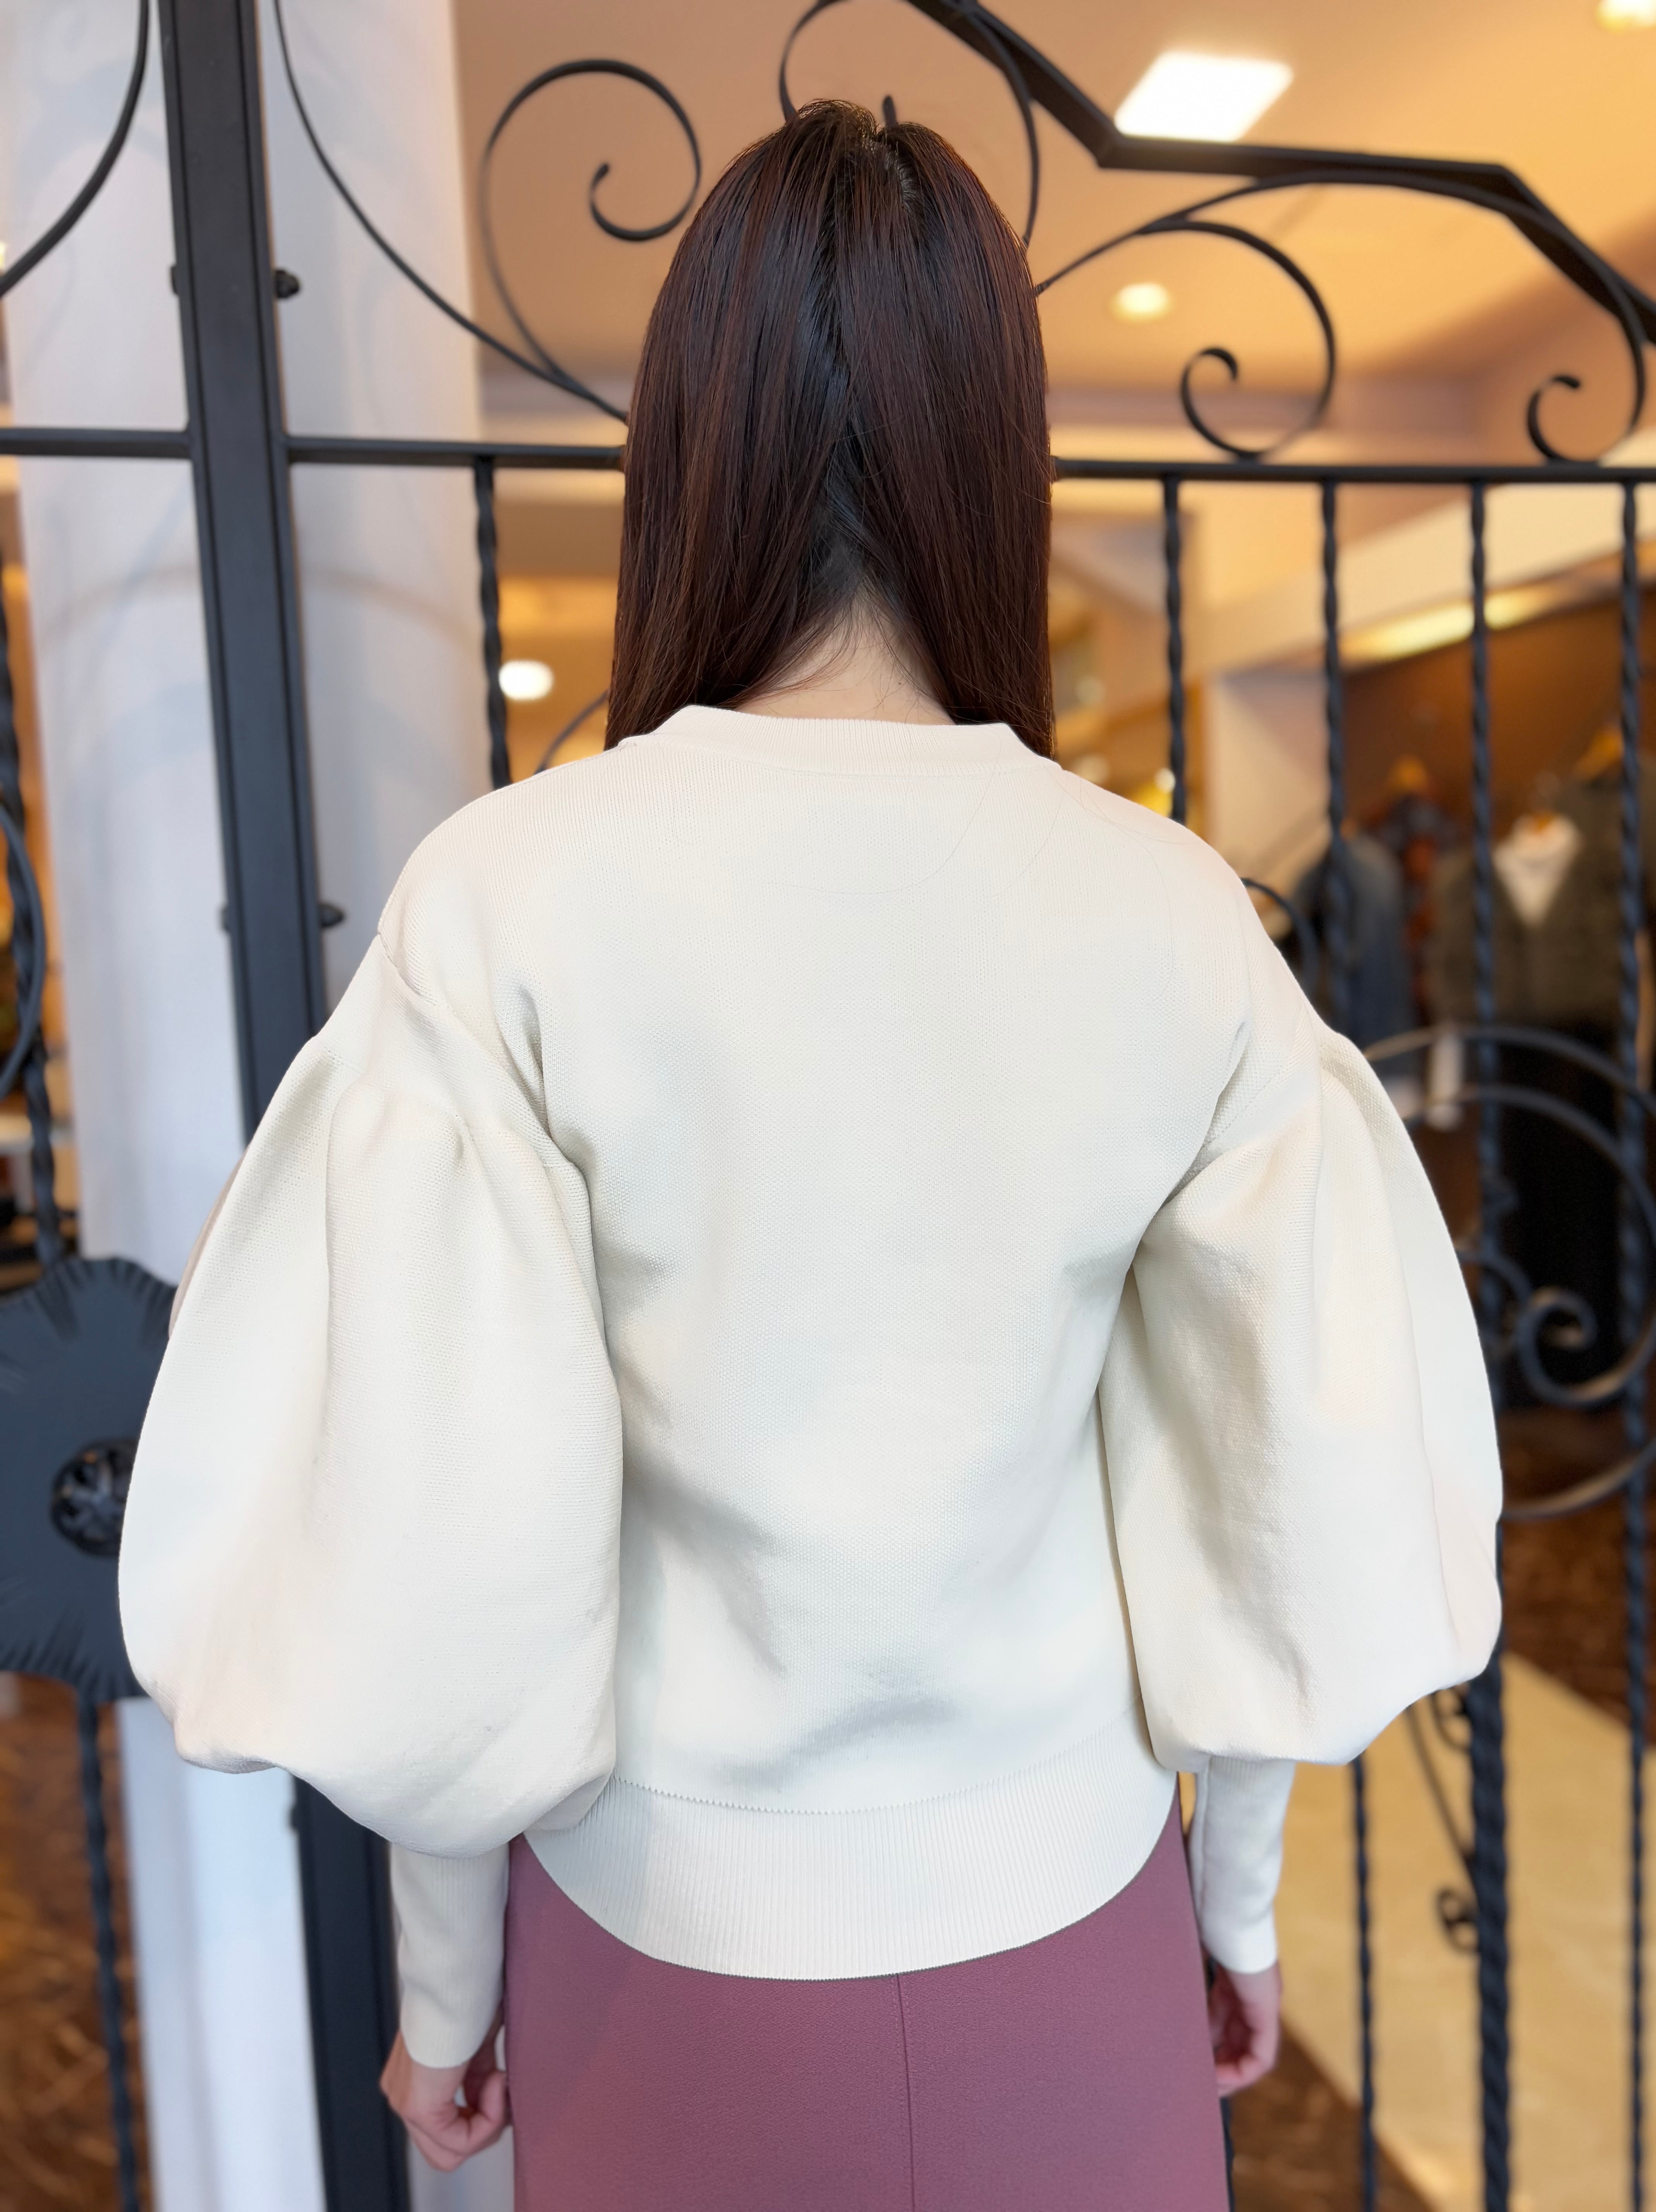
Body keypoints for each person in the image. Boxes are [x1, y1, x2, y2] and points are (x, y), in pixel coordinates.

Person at [120, 103, 1501, 2210]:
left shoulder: (510, 902)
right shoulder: (1170, 918)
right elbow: (1261, 1497)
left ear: (689, 449)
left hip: (661, 1958)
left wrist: (447, 1990)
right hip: (1073, 1931)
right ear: (1002, 458)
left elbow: (455, 1546)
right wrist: (1232, 1909)